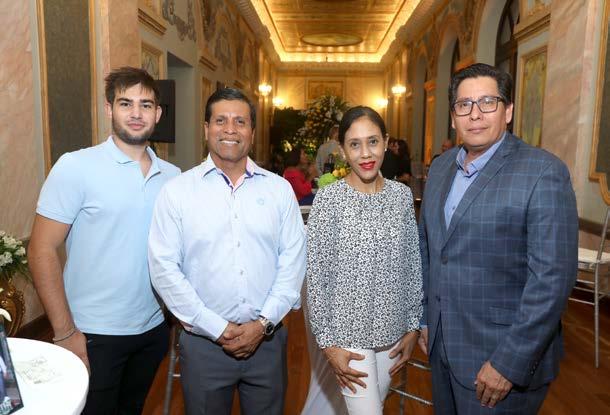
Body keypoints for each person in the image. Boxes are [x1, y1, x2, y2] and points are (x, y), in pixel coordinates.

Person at [417, 63, 578, 414]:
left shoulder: (543, 172)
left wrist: (508, 362)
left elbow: (552, 280)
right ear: (453, 117)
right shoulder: (441, 167)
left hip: (499, 361)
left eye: (487, 102)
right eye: (464, 105)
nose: (475, 114)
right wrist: (426, 319)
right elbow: (428, 249)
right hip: (442, 348)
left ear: (508, 111)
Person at [28, 67, 180, 414]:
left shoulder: (173, 177)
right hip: (91, 332)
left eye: (145, 105)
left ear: (157, 114)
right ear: (109, 108)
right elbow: (40, 249)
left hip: (152, 329)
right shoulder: (75, 166)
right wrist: (65, 332)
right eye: (126, 103)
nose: (136, 113)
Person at [148, 87, 306, 415]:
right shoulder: (177, 192)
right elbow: (163, 268)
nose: (230, 129)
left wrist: (262, 324)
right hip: (203, 345)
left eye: (240, 121)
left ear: (252, 132)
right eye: (221, 120)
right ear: (206, 128)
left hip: (267, 342)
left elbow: (293, 263)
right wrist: (216, 328)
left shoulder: (279, 190)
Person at [306, 106, 423, 415]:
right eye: (354, 144)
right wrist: (328, 344)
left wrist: (413, 327)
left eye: (372, 141)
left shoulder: (401, 196)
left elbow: (412, 264)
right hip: (347, 335)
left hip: (393, 331)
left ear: (385, 141)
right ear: (343, 149)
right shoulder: (329, 200)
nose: (366, 153)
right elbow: (317, 277)